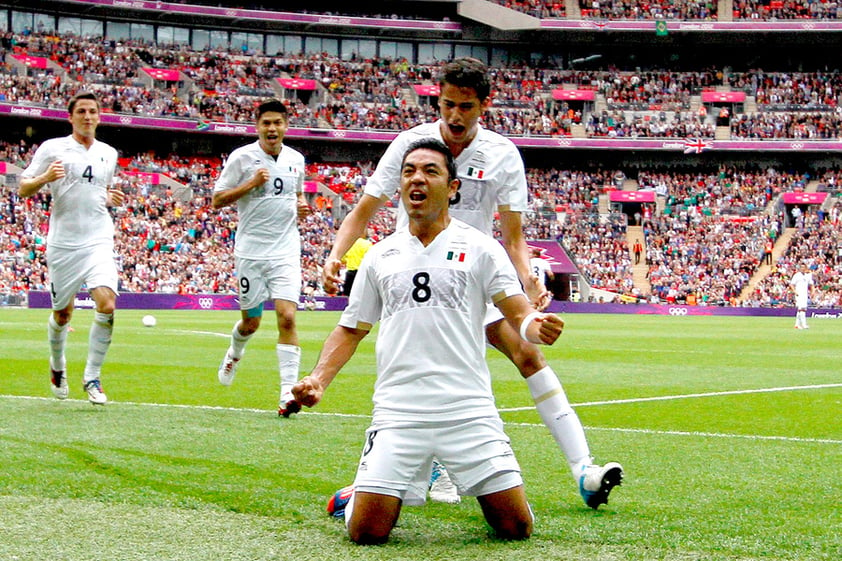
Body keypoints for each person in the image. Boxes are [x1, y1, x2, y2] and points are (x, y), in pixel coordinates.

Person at [321, 57, 622, 509]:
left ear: (484, 105)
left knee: (528, 354)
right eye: (447, 105)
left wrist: (528, 284)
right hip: (419, 278)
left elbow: (513, 237)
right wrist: (334, 255)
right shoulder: (410, 146)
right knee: (420, 373)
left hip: (476, 278)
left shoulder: (502, 154)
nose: (455, 116)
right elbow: (364, 210)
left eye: (465, 107)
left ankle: (584, 469)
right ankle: (384, 482)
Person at [294, 139, 565, 544]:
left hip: (468, 410)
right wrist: (318, 378)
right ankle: (362, 492)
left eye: (430, 171)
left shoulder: (481, 248)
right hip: (399, 412)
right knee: (366, 533)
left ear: (453, 188)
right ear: (401, 187)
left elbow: (519, 314)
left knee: (516, 528)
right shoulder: (380, 255)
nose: (417, 178)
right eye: (409, 171)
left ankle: (389, 485)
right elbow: (352, 328)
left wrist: (535, 327)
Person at [18, 92, 123, 405]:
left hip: (99, 239)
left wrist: (109, 199)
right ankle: (57, 365)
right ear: (71, 117)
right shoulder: (53, 148)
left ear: (99, 116)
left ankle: (92, 377)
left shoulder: (109, 153)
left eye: (93, 111)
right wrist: (46, 177)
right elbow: (24, 187)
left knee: (107, 304)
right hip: (63, 243)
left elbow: (97, 191)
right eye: (82, 112)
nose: (88, 117)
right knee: (62, 315)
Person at [213, 99, 311, 417]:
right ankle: (234, 352)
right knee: (251, 321)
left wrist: (302, 205)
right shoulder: (241, 158)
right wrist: (251, 184)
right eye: (266, 123)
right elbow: (217, 200)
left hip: (285, 251)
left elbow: (298, 195)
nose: (272, 129)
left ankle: (287, 392)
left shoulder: (297, 159)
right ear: (257, 126)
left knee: (287, 317)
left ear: (286, 125)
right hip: (251, 253)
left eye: (278, 123)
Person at [340, 228, 374, 296]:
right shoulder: (367, 244)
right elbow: (372, 258)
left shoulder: (349, 244)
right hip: (362, 272)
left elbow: (342, 259)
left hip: (350, 272)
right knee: (363, 294)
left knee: (348, 294)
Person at [790, 263, 814, 329]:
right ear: (800, 268)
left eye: (804, 267)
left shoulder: (807, 276)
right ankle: (804, 324)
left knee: (801, 309)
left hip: (805, 294)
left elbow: (811, 284)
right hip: (799, 294)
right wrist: (795, 291)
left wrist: (812, 292)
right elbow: (791, 284)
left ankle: (797, 325)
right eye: (801, 267)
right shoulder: (797, 275)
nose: (803, 269)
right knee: (801, 309)